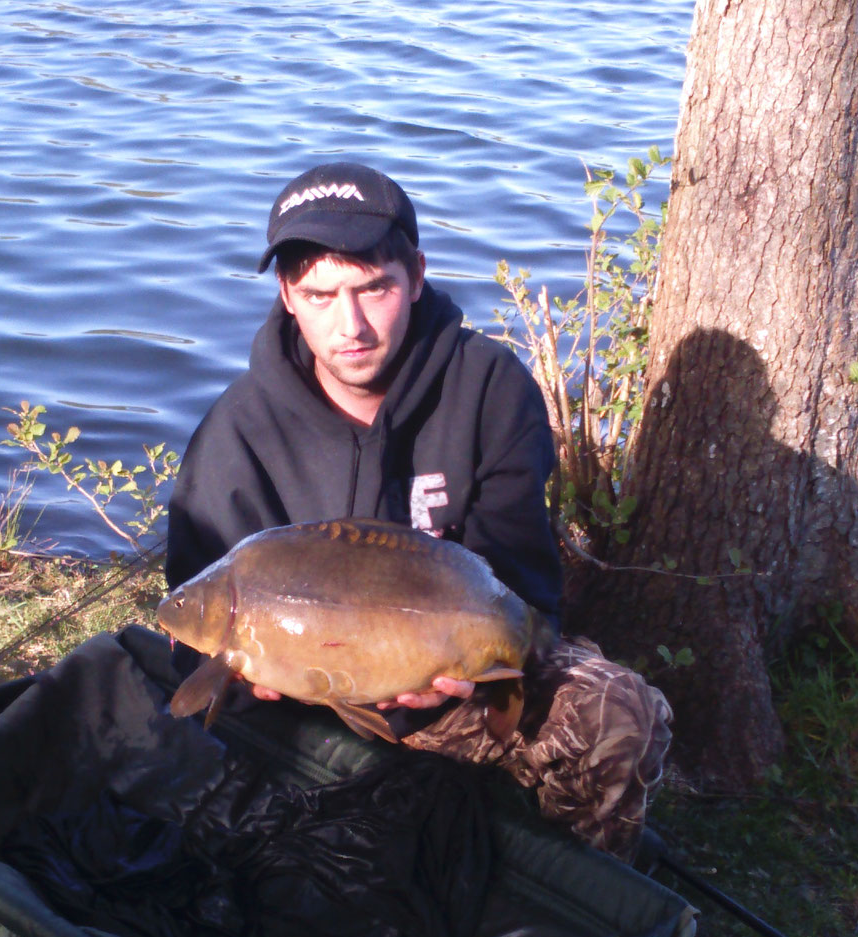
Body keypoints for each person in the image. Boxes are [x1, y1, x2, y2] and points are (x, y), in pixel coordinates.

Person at [165, 161, 669, 858]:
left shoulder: (490, 391)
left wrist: (469, 678)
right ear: (286, 294)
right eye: (320, 295)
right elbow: (189, 625)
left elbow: (525, 591)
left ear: (417, 276)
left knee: (621, 716)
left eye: (375, 289)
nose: (352, 325)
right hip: (306, 708)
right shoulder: (235, 434)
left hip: (453, 683)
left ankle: (566, 896)